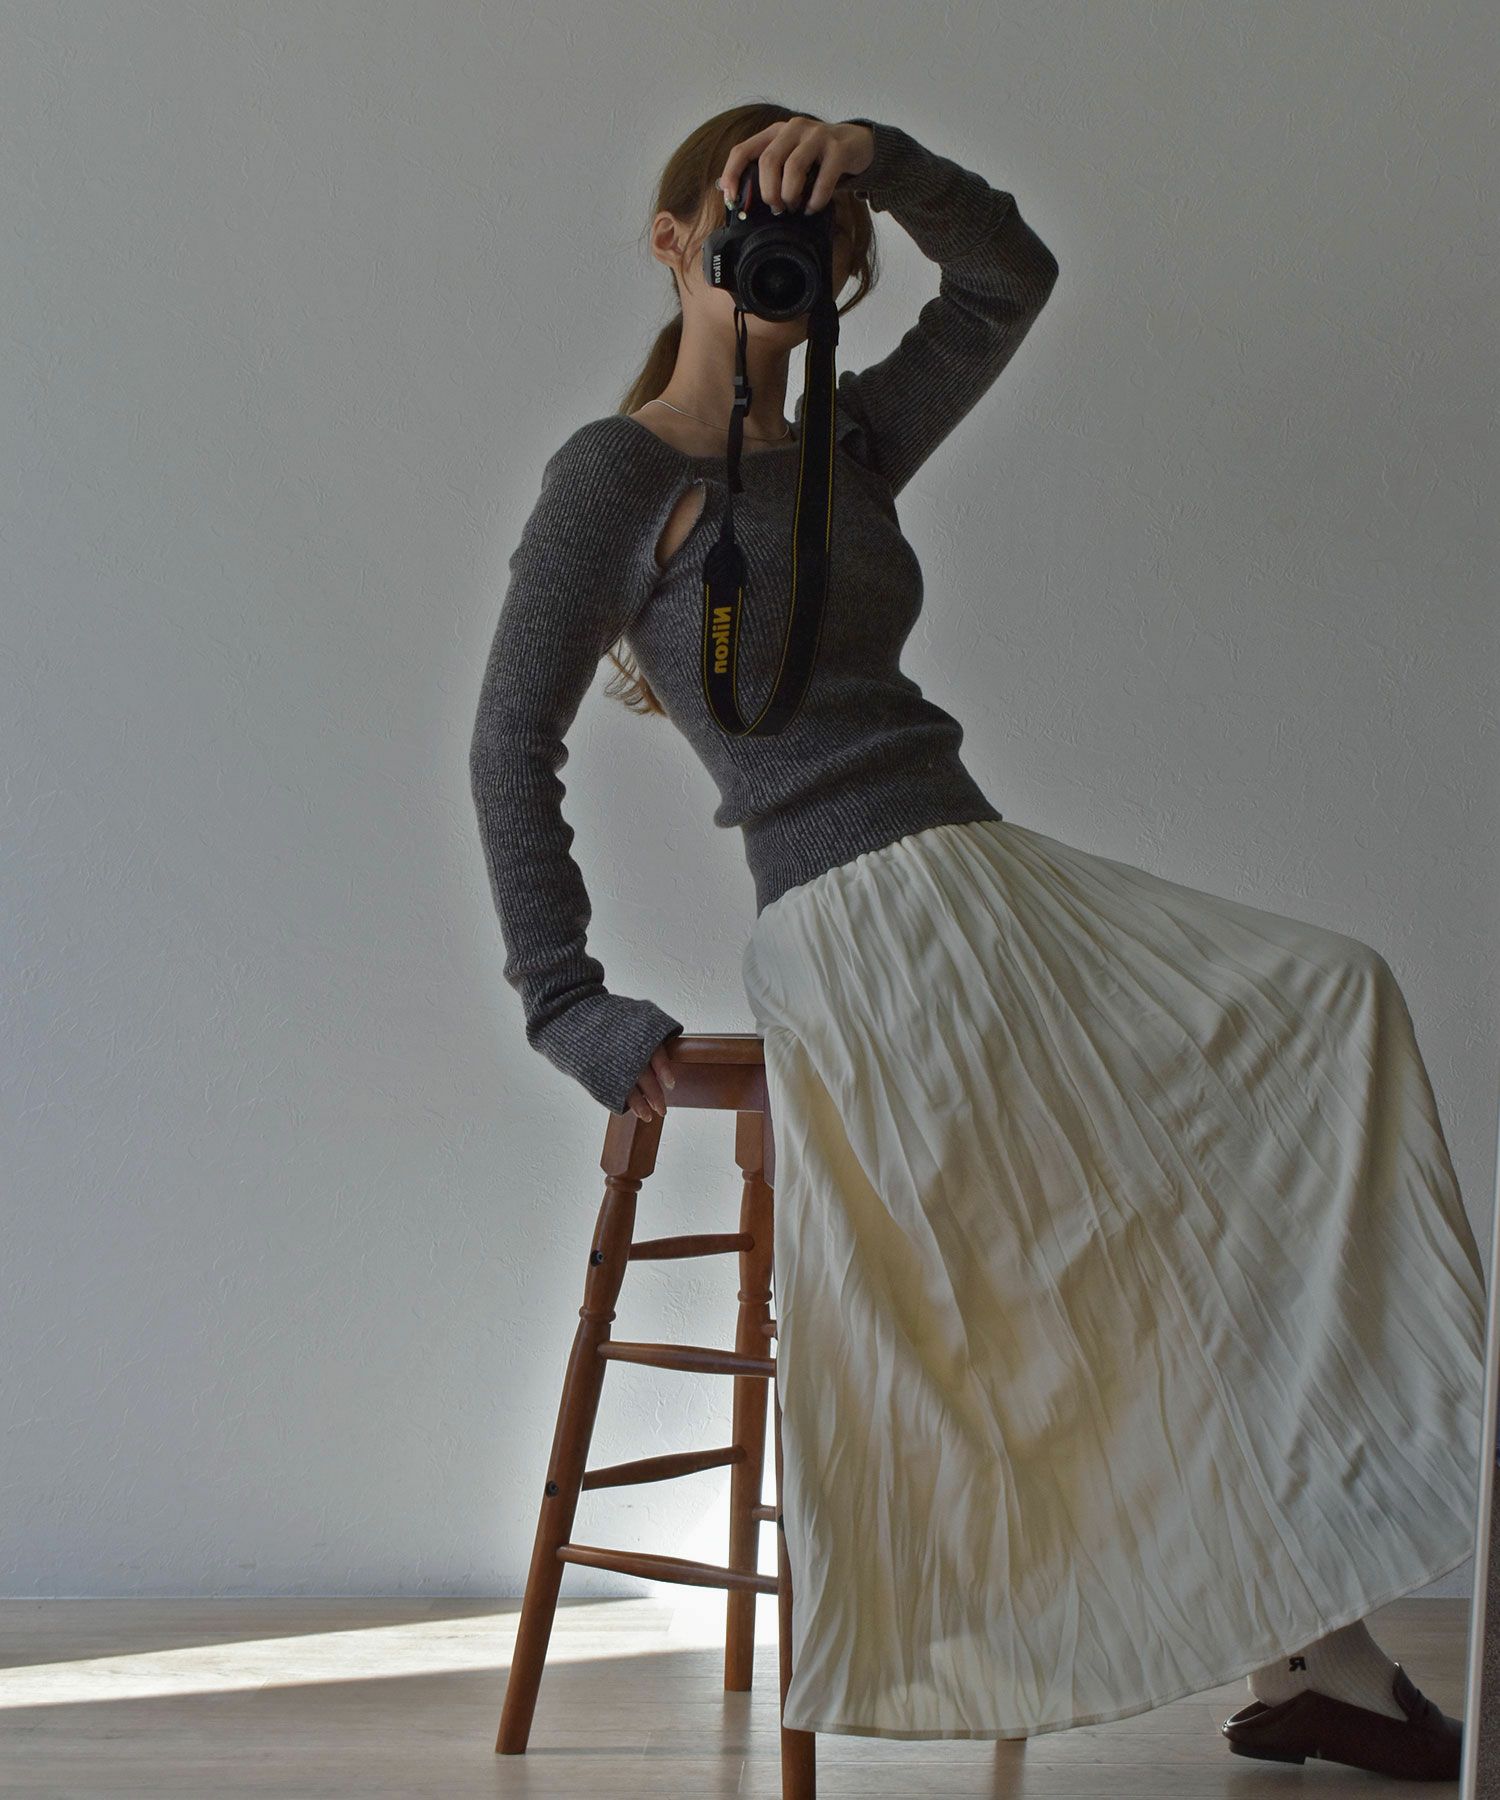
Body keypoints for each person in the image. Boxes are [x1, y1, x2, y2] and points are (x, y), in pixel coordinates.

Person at [467, 106, 1489, 1779]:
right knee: (1117, 1233)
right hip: (867, 928)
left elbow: (1010, 280)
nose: (781, 259)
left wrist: (877, 157)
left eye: (816, 245)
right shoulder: (616, 475)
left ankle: (1318, 1636)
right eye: (742, 222)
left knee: (1319, 1015)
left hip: (983, 874)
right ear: (671, 244)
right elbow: (511, 739)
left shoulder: (849, 447)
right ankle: (1313, 1648)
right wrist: (564, 1004)